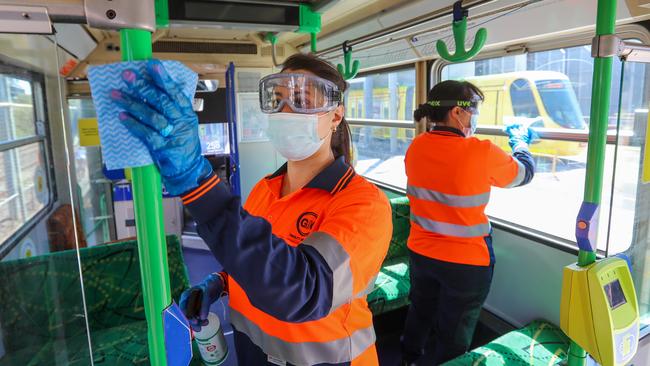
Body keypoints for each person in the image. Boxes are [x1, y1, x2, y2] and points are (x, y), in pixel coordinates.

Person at [111, 53, 392, 366]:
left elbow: (303, 290)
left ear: (336, 116)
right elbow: (262, 259)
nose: (286, 112)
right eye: (279, 99)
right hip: (253, 353)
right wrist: (222, 281)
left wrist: (197, 184)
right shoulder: (264, 189)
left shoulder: (364, 205)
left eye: (302, 99)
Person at [400, 80, 537, 365]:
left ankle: (408, 358)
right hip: (466, 263)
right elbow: (523, 174)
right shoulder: (480, 151)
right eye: (473, 111)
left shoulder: (416, 147)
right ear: (457, 113)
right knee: (454, 330)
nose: (474, 119)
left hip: (422, 253)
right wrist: (520, 143)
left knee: (421, 311)